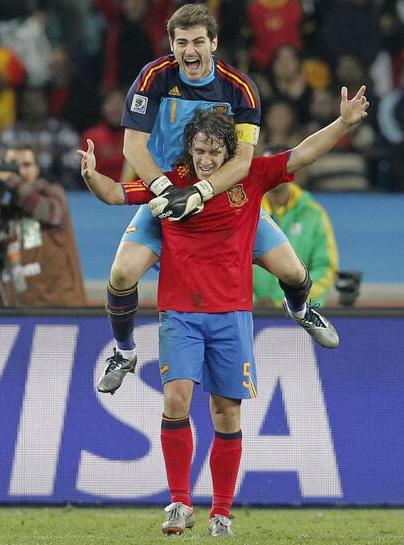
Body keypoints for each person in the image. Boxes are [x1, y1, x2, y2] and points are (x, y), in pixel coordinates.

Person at [78, 89, 369, 535]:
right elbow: (117, 193)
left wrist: (344, 123)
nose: (207, 161)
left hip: (232, 313)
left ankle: (221, 513)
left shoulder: (248, 176)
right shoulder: (171, 182)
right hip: (179, 312)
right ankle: (178, 503)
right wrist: (92, 175)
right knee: (176, 401)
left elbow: (302, 154)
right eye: (200, 151)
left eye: (215, 152)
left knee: (226, 414)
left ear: (228, 152)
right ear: (189, 149)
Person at [97, 3, 341, 395]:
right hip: (166, 194)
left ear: (214, 43)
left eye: (197, 42)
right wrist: (167, 191)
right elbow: (133, 148)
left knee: (294, 273)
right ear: (171, 45)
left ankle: (299, 308)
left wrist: (199, 193)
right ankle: (124, 352)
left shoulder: (239, 88)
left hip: (229, 202)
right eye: (181, 43)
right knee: (122, 274)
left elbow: (243, 160)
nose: (189, 51)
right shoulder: (154, 77)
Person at [0, 143, 87, 307]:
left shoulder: (52, 193)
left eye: (27, 165)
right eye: (13, 166)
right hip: (18, 314)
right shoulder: (4, 210)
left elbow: (51, 214)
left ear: (37, 168)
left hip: (62, 312)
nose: (20, 171)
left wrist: (12, 181)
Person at [253, 146, 339, 308]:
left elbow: (326, 269)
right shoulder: (246, 212)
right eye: (268, 166)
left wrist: (289, 301)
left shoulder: (314, 214)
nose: (273, 172)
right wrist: (252, 301)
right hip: (250, 311)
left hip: (297, 313)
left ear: (290, 169)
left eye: (277, 167)